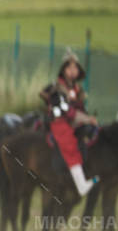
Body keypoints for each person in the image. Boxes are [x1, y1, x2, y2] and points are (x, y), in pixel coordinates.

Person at [39, 52, 97, 196]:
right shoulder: (57, 87)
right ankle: (81, 185)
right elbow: (66, 110)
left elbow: (80, 108)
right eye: (69, 68)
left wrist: (89, 119)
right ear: (63, 70)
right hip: (60, 121)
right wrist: (86, 119)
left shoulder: (78, 89)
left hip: (75, 121)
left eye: (75, 68)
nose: (72, 71)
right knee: (69, 144)